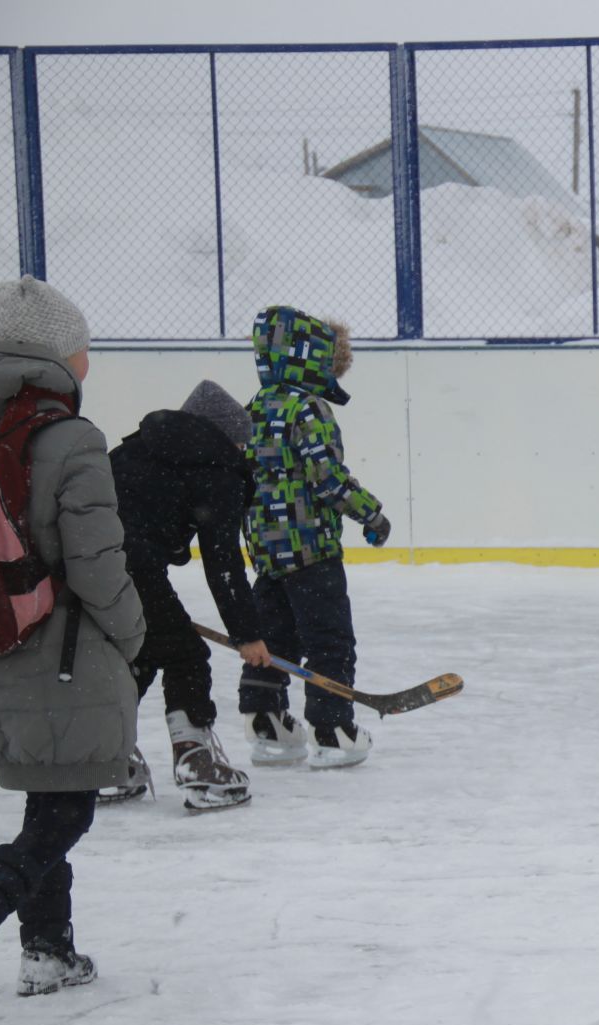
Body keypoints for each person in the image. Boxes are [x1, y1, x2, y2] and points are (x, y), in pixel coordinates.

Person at [0, 277, 146, 1015]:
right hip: (63, 652)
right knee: (71, 808)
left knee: (47, 796)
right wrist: (133, 634)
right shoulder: (71, 438)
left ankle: (48, 950)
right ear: (58, 354)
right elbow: (96, 561)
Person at [105, 379, 272, 810]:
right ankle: (197, 764)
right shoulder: (218, 466)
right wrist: (247, 633)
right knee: (186, 656)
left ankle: (103, 758)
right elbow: (223, 562)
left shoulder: (135, 449)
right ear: (229, 437)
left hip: (78, 564)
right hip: (133, 565)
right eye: (240, 443)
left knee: (139, 655)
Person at [238, 305, 389, 769]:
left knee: (272, 637)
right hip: (311, 549)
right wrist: (371, 514)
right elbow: (327, 477)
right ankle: (332, 729)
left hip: (266, 551)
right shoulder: (308, 408)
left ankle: (267, 724)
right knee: (329, 640)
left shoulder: (255, 407)